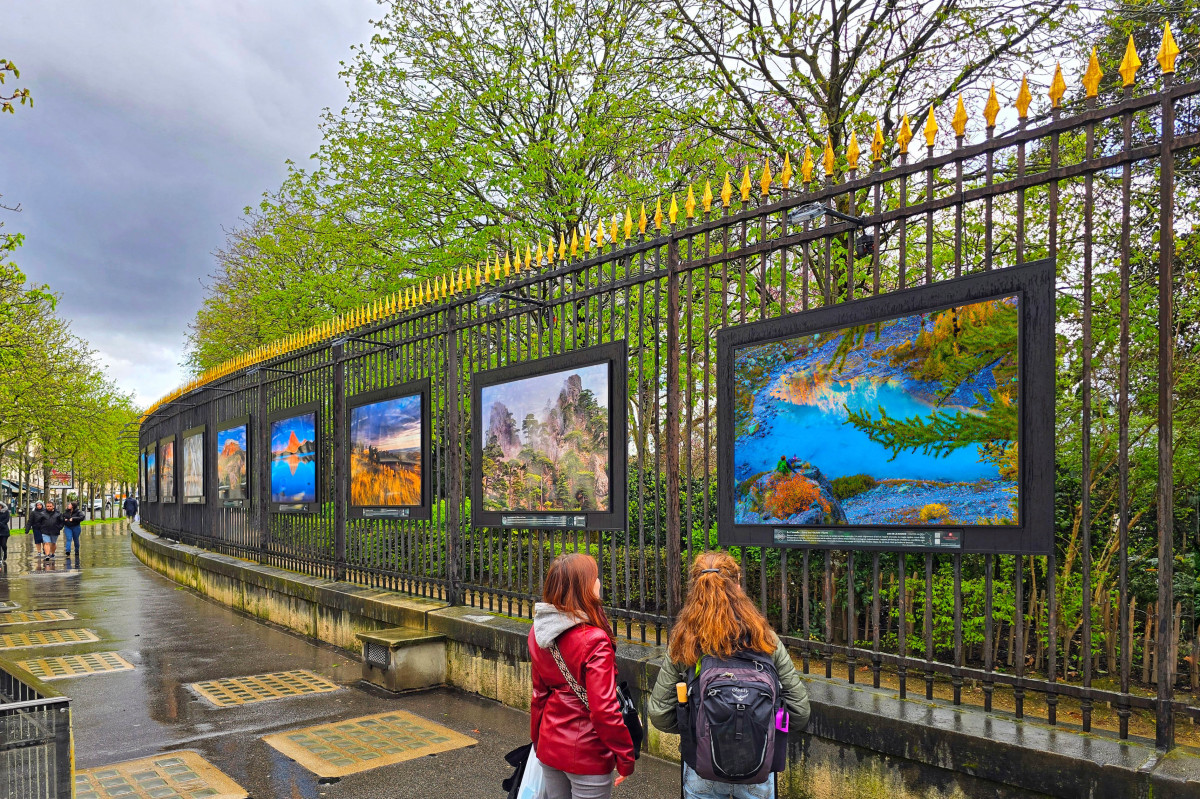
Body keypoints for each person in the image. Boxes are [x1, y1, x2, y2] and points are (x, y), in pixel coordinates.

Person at [648, 552, 810, 799]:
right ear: (737, 584)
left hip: (701, 767)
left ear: (695, 587)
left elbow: (659, 714)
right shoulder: (765, 640)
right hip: (758, 766)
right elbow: (799, 712)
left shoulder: (685, 641)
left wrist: (697, 730)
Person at [529, 553, 634, 798]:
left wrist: (539, 742)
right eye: (595, 578)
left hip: (549, 745)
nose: (599, 583)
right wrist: (626, 757)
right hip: (588, 754)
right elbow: (604, 710)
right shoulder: (594, 640)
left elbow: (538, 696)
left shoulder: (539, 631)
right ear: (584, 587)